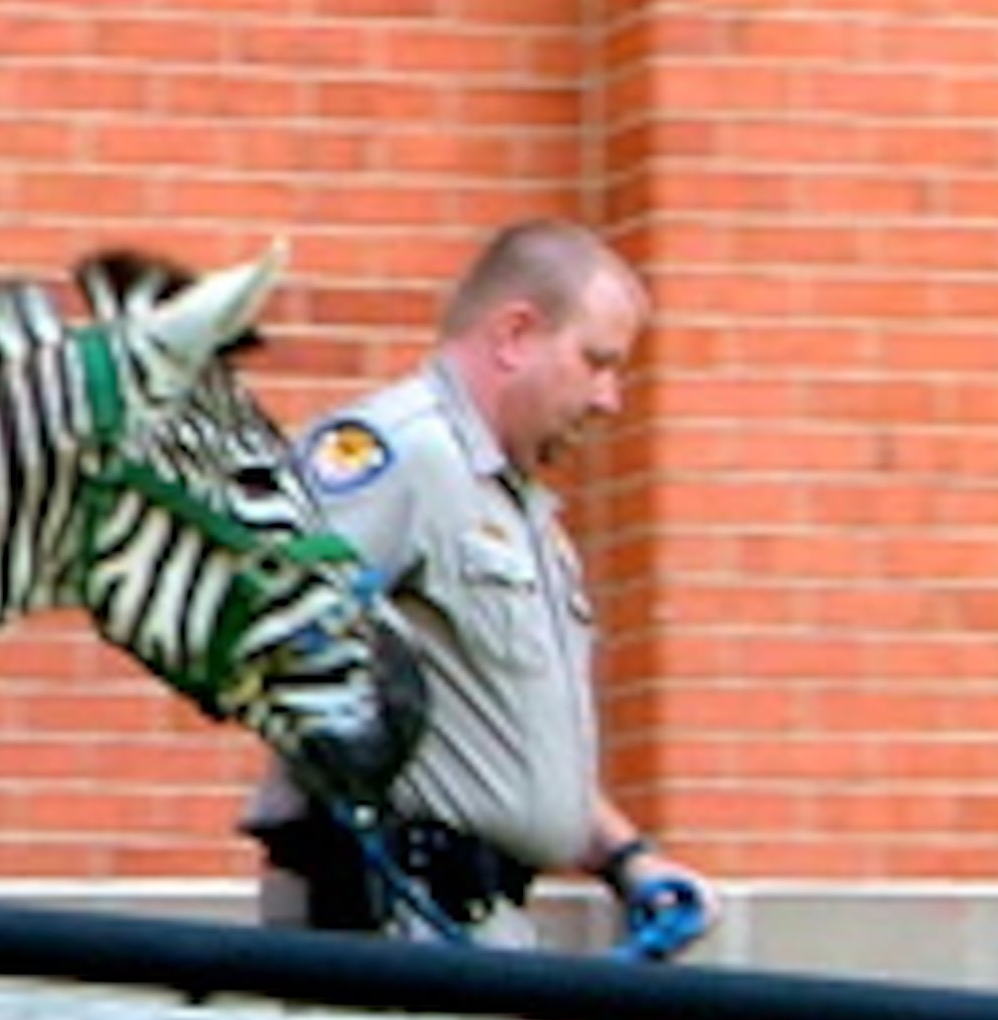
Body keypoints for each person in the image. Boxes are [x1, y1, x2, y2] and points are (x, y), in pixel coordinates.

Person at [244, 220, 717, 952]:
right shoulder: (396, 453)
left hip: (478, 930)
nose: (609, 399)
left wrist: (627, 859)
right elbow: (251, 617)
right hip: (388, 923)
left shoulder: (516, 509)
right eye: (595, 362)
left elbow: (500, 747)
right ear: (516, 335)